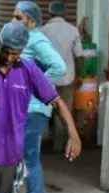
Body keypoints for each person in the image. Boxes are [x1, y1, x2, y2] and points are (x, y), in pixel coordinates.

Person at [0, 21, 80, 193]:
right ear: (0, 44)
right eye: (6, 50)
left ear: (23, 50)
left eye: (15, 53)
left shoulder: (29, 71)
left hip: (11, 157)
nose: (8, 57)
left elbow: (57, 102)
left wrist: (73, 134)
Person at [12, 1, 66, 193]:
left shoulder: (37, 40)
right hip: (25, 108)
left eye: (18, 17)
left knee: (29, 158)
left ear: (31, 21)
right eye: (13, 16)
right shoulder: (25, 40)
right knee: (24, 157)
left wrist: (37, 86)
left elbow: (59, 67)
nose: (12, 21)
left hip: (34, 110)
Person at [41, 1, 84, 152]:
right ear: (64, 14)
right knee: (64, 112)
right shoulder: (72, 30)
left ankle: (42, 143)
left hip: (47, 79)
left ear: (50, 13)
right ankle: (59, 145)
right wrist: (80, 77)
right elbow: (79, 56)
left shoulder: (43, 31)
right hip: (67, 78)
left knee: (44, 110)